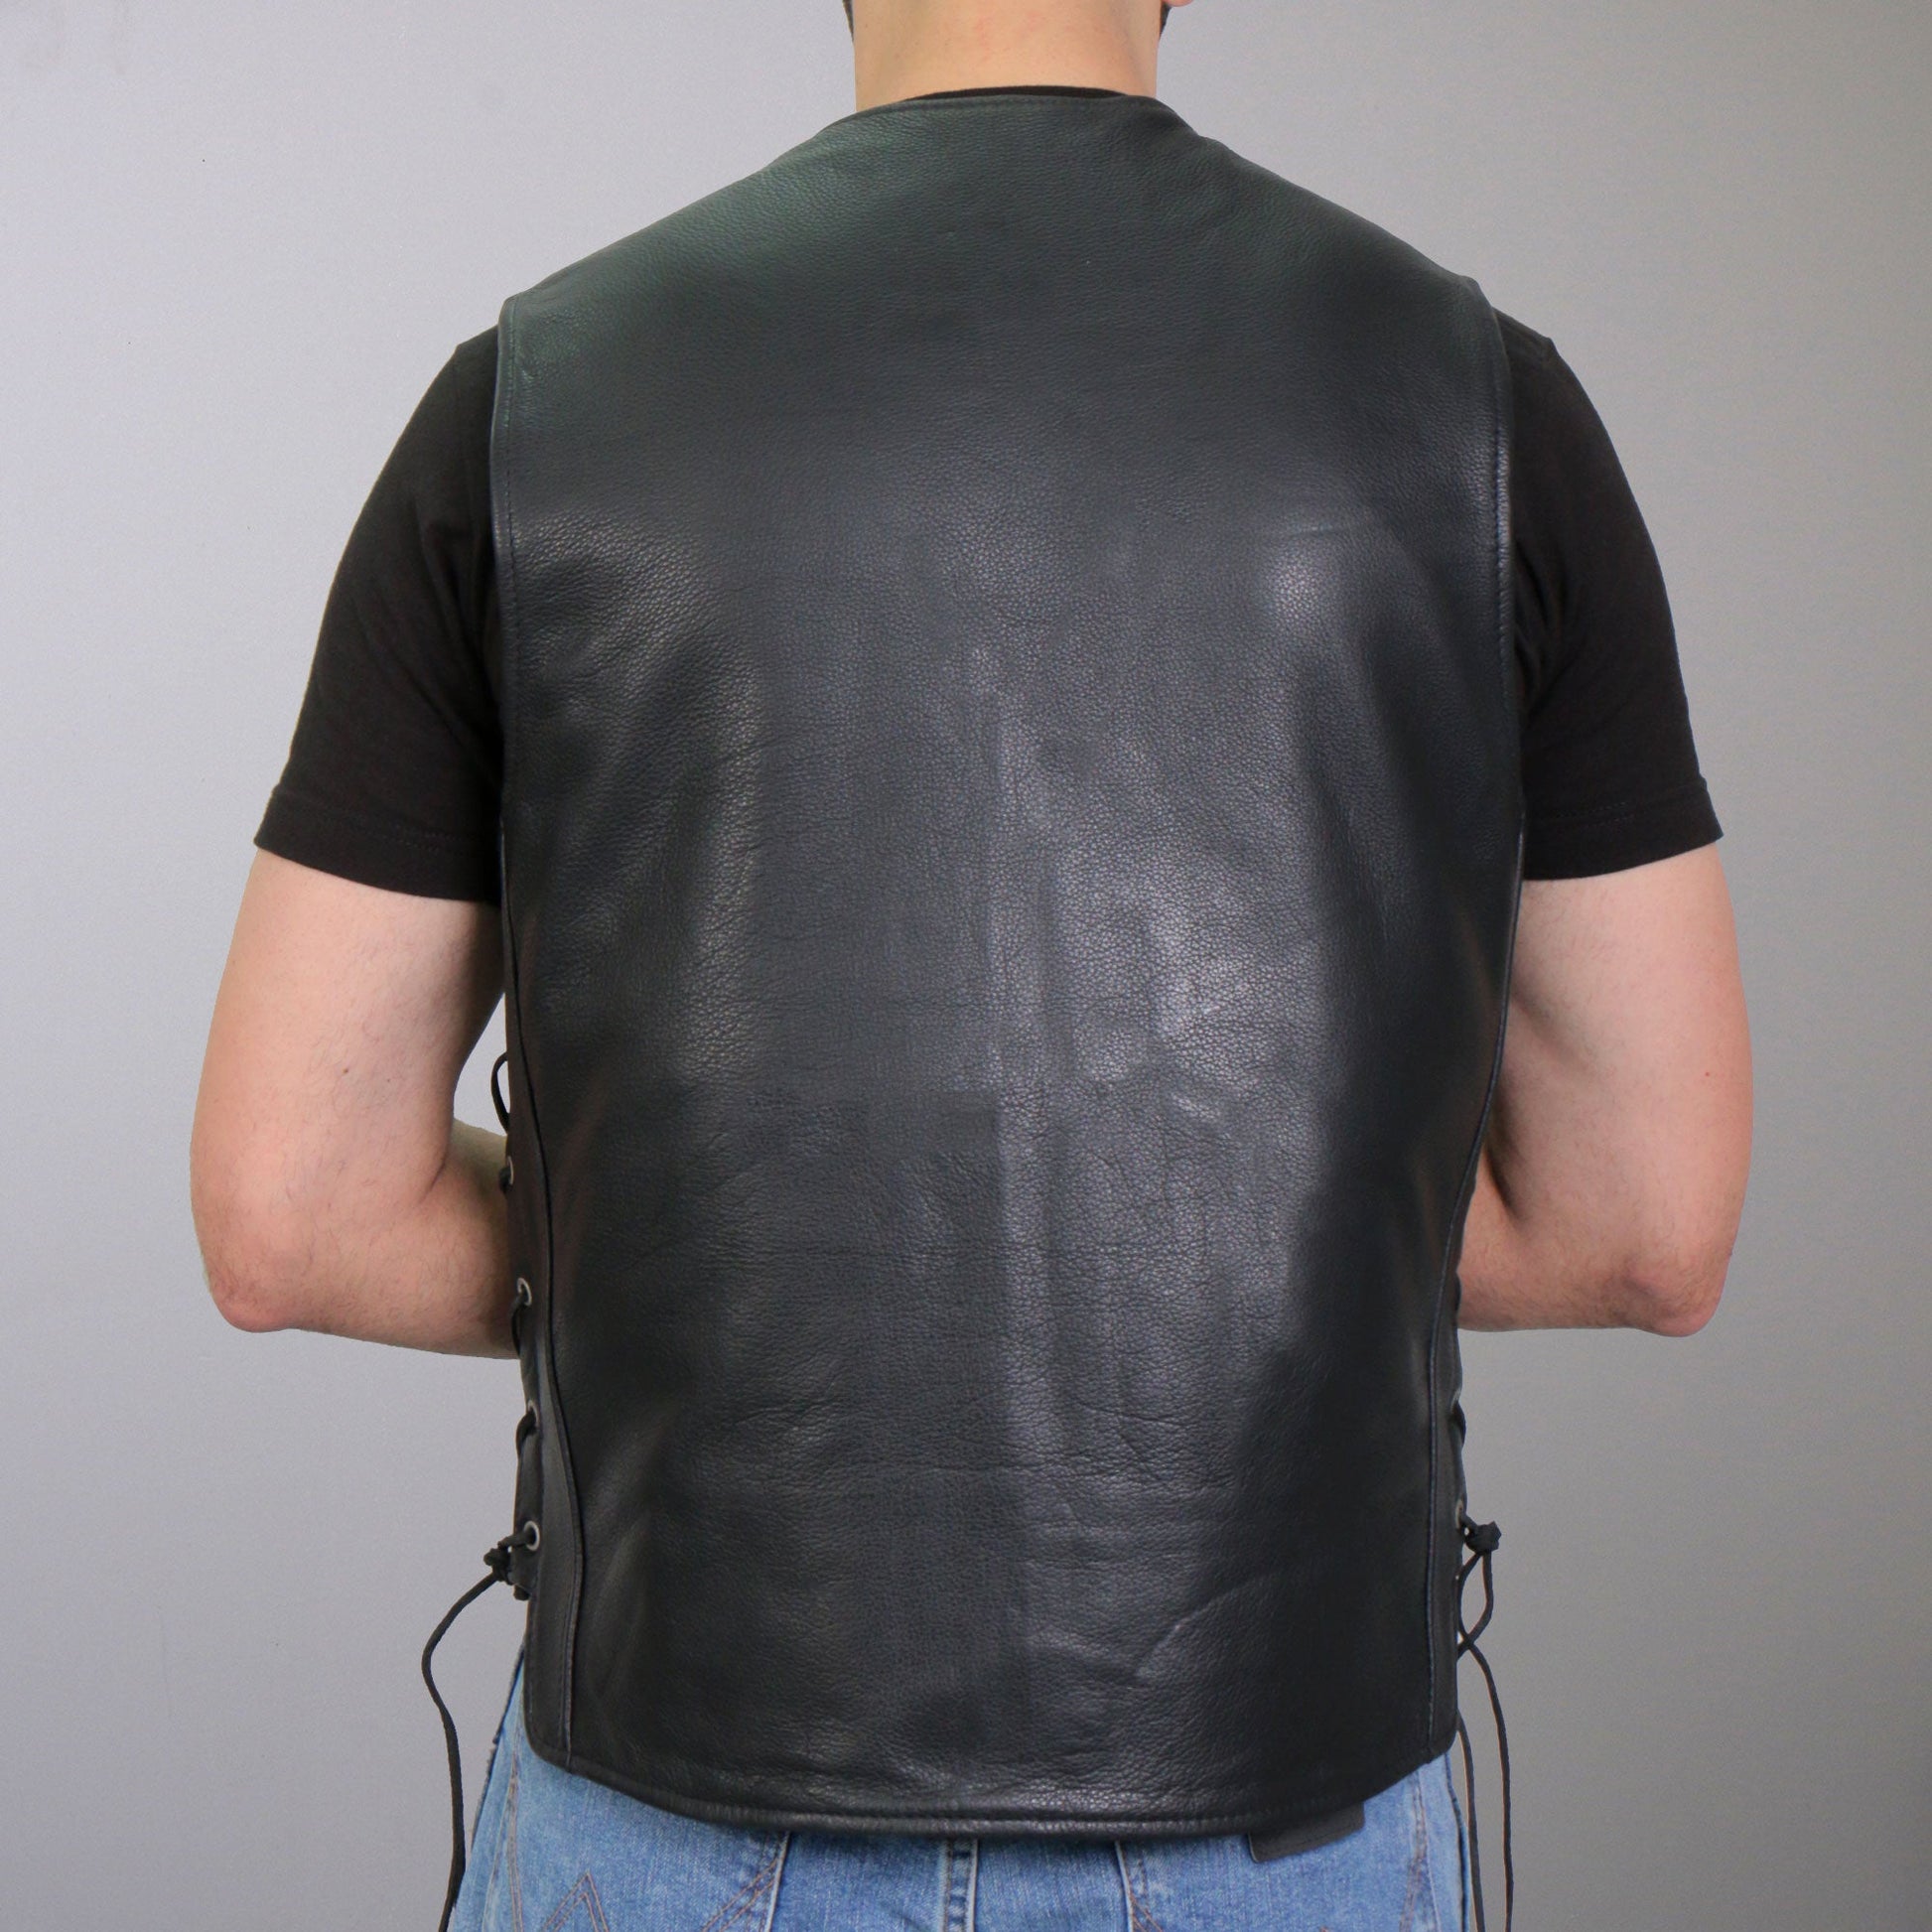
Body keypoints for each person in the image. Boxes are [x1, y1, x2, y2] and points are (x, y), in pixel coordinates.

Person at [189, 3, 1754, 1930]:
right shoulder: (1487, 413)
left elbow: (298, 1213)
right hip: (1280, 1824)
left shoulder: (526, 405)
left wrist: (698, 1242)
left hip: (682, 1812)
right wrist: (1225, 1232)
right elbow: (1639, 1224)